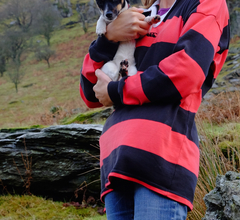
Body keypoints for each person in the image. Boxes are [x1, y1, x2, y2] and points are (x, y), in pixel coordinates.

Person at [80, 0, 230, 219]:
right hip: (115, 157)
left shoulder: (206, 4)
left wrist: (116, 91)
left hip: (161, 156)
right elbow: (90, 92)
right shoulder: (137, 14)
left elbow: (185, 73)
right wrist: (108, 37)